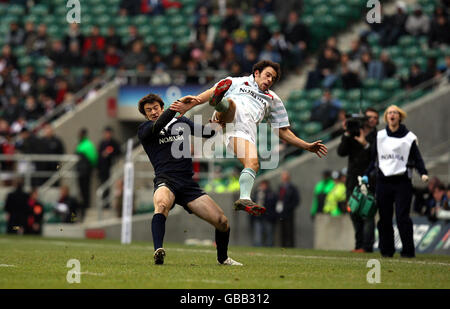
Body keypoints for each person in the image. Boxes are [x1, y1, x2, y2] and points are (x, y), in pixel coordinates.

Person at [170, 60, 327, 216]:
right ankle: (219, 103)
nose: (270, 80)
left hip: (244, 135)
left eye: (273, 78)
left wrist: (306, 145)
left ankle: (244, 199)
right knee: (231, 103)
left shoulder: (273, 100)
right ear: (257, 73)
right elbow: (210, 92)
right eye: (267, 75)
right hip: (224, 122)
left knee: (253, 163)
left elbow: (282, 131)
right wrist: (192, 104)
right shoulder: (235, 82)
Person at [137, 93, 242, 266]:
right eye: (149, 110)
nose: (153, 112)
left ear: (162, 107)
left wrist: (218, 123)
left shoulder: (182, 123)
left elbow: (207, 133)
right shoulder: (145, 129)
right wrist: (177, 106)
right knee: (162, 205)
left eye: (156, 108)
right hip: (166, 180)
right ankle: (158, 251)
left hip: (187, 185)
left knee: (222, 222)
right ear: (146, 115)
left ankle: (223, 259)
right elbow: (160, 124)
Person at [364, 105, 429, 258]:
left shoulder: (409, 137)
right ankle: (387, 250)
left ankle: (408, 251)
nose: (392, 115)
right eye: (389, 113)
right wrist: (366, 174)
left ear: (400, 117)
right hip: (383, 181)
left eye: (395, 113)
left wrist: (423, 173)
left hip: (402, 182)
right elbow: (373, 159)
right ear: (386, 117)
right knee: (384, 218)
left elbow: (417, 158)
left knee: (402, 217)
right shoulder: (380, 136)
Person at [337, 108, 379, 253]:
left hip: (369, 179)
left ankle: (367, 247)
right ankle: (359, 245)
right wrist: (347, 133)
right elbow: (341, 152)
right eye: (369, 117)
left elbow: (375, 157)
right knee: (354, 212)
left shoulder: (378, 136)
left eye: (375, 117)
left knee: (367, 213)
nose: (372, 120)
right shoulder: (353, 133)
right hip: (352, 179)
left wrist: (365, 144)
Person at [75, 128, 98, 221]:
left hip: (85, 172)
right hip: (82, 172)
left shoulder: (86, 145)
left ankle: (85, 208)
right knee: (83, 191)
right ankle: (84, 208)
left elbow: (93, 159)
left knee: (85, 191)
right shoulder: (84, 145)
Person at [97, 126, 121, 209]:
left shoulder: (114, 143)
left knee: (110, 186)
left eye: (108, 133)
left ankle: (108, 204)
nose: (107, 135)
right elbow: (99, 155)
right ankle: (104, 204)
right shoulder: (102, 143)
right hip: (103, 169)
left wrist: (110, 154)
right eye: (105, 133)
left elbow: (118, 152)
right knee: (103, 185)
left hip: (111, 167)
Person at [275, 171, 300, 248]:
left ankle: (290, 246)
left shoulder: (292, 188)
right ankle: (283, 246)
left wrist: (288, 207)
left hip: (289, 213)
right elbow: (278, 198)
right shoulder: (280, 187)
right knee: (282, 231)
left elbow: (296, 201)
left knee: (289, 230)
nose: (284, 179)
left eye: (285, 178)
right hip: (281, 213)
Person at [250, 180, 277, 247]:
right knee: (258, 234)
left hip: (267, 217)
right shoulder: (257, 193)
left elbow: (272, 204)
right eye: (262, 185)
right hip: (258, 217)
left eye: (264, 185)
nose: (263, 187)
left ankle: (269, 246)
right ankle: (258, 246)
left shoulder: (271, 193)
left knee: (269, 233)